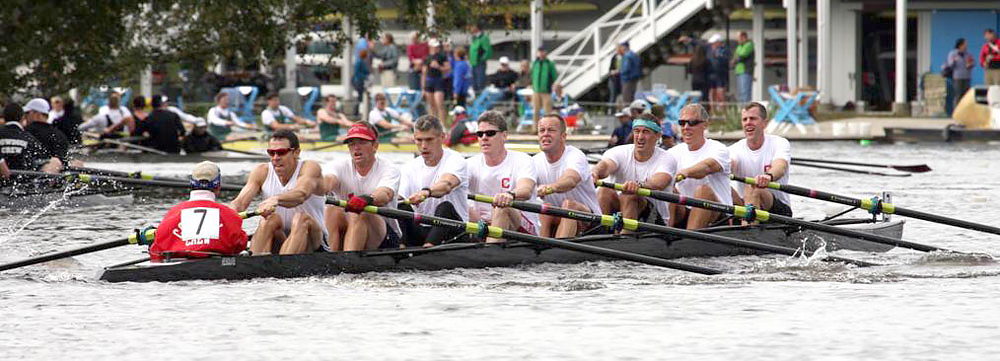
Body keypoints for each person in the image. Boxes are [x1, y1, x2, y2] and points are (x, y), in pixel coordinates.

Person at [231, 130, 328, 255]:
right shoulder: (261, 171)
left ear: (296, 152)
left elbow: (301, 194)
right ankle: (251, 265)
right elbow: (239, 203)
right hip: (282, 239)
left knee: (301, 218)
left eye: (281, 152)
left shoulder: (310, 168)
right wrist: (221, 214)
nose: (275, 158)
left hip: (313, 242)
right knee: (270, 219)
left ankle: (281, 267)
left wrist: (275, 199)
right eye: (271, 153)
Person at [323, 123, 401, 251]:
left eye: (362, 142)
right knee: (332, 210)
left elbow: (385, 194)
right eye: (352, 144)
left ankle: (347, 264)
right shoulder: (338, 166)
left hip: (384, 238)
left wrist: (367, 199)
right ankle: (331, 258)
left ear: (375, 146)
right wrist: (316, 188)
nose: (356, 148)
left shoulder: (390, 169)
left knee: (359, 213)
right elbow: (328, 180)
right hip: (348, 228)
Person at [149, 161, 248, 262]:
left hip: (176, 267)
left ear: (191, 185)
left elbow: (156, 251)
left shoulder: (172, 213)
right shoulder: (230, 215)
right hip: (216, 267)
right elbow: (240, 244)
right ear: (218, 187)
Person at [592, 114, 676, 229]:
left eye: (646, 132)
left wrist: (639, 185)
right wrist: (595, 173)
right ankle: (601, 232)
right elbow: (606, 165)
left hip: (655, 221)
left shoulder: (667, 158)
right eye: (637, 131)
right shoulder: (618, 152)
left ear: (658, 135)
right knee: (603, 191)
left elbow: (660, 182)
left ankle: (625, 239)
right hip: (620, 211)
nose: (640, 137)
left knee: (630, 195)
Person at [466, 111, 540, 241]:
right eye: (479, 134)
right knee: (455, 200)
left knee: (501, 207)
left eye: (490, 133)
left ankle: (489, 252)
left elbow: (526, 189)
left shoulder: (523, 160)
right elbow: (453, 183)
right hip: (483, 225)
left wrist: (510, 195)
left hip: (521, 228)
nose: (484, 138)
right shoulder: (469, 164)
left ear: (504, 136)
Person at [397, 115, 470, 247]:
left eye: (429, 140)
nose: (424, 146)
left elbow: (446, 185)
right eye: (419, 140)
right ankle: (402, 247)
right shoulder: (409, 167)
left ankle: (427, 249)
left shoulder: (455, 160)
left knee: (445, 207)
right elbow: (399, 197)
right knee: (400, 207)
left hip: (454, 231)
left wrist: (426, 192)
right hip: (422, 229)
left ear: (442, 137)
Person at [533, 113, 601, 238]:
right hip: (557, 217)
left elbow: (570, 180)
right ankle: (538, 252)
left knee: (568, 205)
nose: (545, 134)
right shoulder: (535, 161)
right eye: (542, 130)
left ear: (563, 136)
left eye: (551, 130)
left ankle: (557, 251)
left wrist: (551, 188)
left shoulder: (575, 156)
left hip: (590, 222)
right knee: (544, 209)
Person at [667, 103, 732, 229]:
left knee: (703, 191)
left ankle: (689, 241)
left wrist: (685, 173)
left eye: (692, 123)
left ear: (705, 125)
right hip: (685, 211)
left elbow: (707, 166)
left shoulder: (719, 149)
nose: (686, 127)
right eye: (682, 123)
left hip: (718, 215)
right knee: (668, 189)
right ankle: (663, 236)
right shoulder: (673, 153)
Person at [728, 102, 792, 219]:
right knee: (720, 187)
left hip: (777, 211)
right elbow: (730, 163)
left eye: (753, 118)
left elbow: (780, 166)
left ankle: (749, 232)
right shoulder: (734, 149)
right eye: (744, 119)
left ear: (764, 123)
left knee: (753, 187)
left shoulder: (779, 143)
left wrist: (768, 176)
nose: (748, 123)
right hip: (746, 206)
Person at [0, 103, 62, 179]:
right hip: (23, 182)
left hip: (3, 181)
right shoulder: (28, 137)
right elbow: (42, 156)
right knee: (54, 161)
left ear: (3, 118)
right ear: (22, 118)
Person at [943, 38, 976, 115]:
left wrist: (971, 64)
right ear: (960, 45)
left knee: (966, 95)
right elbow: (950, 64)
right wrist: (954, 61)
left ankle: (966, 112)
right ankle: (957, 112)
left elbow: (973, 62)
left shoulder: (968, 54)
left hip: (967, 76)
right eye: (964, 44)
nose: (966, 46)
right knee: (958, 94)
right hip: (957, 77)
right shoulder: (953, 53)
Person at [423, 39, 450, 123]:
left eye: (437, 47)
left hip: (438, 81)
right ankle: (432, 124)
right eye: (434, 47)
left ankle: (442, 125)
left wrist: (438, 67)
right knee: (431, 105)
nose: (436, 48)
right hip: (429, 81)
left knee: (439, 104)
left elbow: (448, 68)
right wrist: (423, 87)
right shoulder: (427, 57)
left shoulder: (442, 56)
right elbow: (424, 72)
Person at [531, 47, 558, 129]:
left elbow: (554, 75)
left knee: (547, 111)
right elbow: (532, 74)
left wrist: (550, 84)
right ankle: (535, 128)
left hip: (546, 91)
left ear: (545, 53)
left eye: (543, 52)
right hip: (536, 90)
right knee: (536, 111)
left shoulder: (550, 63)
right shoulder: (535, 63)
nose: (541, 54)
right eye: (539, 52)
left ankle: (548, 127)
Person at [707, 34, 730, 111]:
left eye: (714, 43)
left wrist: (719, 57)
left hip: (721, 76)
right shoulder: (710, 51)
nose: (712, 45)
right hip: (711, 76)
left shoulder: (724, 51)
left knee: (721, 95)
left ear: (718, 42)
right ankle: (712, 112)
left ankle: (723, 114)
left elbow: (726, 61)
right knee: (711, 94)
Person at [731, 31, 754, 103]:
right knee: (740, 92)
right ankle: (742, 109)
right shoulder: (739, 46)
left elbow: (742, 54)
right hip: (739, 71)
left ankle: (746, 107)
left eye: (738, 38)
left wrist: (735, 59)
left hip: (746, 71)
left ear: (744, 37)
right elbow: (735, 55)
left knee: (745, 92)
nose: (737, 40)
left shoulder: (749, 45)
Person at [469, 24, 492, 93]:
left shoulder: (483, 38)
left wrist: (481, 59)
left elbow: (488, 51)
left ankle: (480, 97)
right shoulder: (474, 38)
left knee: (480, 82)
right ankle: (476, 97)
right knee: (474, 83)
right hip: (473, 64)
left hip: (479, 63)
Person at [352, 49, 371, 115]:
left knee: (360, 97)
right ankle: (356, 111)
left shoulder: (360, 61)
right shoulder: (360, 62)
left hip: (359, 81)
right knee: (360, 97)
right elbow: (358, 73)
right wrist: (365, 76)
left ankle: (357, 111)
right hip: (359, 82)